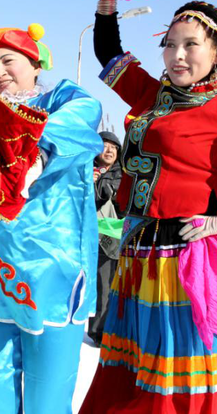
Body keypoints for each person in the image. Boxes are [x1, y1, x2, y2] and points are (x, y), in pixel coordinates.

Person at [81, 0, 217, 414]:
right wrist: (106, 6)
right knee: (132, 371)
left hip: (186, 257)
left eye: (191, 45)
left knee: (175, 376)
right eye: (169, 44)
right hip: (138, 252)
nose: (177, 55)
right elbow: (108, 53)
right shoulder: (149, 92)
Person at [0, 23, 103, 413]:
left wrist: (34, 150)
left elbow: (84, 117)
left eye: (8, 60)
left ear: (35, 63)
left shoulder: (62, 98)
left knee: (47, 397)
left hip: (51, 275)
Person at [88, 131, 123, 344]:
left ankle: (100, 332)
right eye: (104, 145)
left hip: (111, 235)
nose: (109, 151)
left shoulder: (124, 174)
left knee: (106, 285)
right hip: (86, 233)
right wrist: (86, 181)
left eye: (114, 147)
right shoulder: (84, 168)